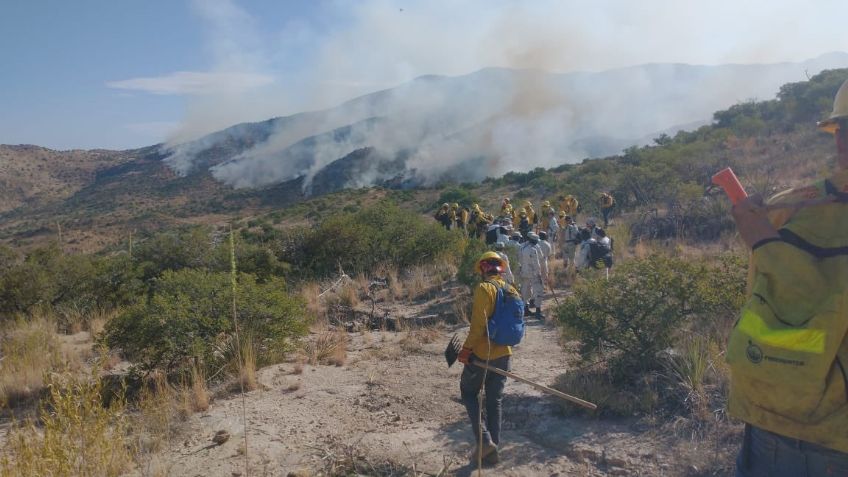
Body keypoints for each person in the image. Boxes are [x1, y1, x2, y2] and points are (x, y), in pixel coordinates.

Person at [728, 78, 848, 476]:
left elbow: (767, 309)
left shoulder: (786, 210)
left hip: (778, 421)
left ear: (838, 138)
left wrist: (762, 239)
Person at [457, 252, 518, 467]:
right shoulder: (512, 290)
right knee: (495, 401)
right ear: (500, 268)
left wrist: (466, 350)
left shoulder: (485, 289)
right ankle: (492, 450)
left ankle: (484, 442)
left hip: (483, 354)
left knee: (468, 392)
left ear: (483, 269)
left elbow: (477, 327)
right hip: (505, 355)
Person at [518, 232, 547, 318]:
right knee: (538, 290)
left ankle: (525, 309)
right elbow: (537, 262)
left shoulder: (521, 247)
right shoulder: (534, 249)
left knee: (525, 291)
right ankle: (538, 311)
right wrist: (539, 273)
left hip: (524, 272)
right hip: (534, 273)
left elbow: (519, 259)